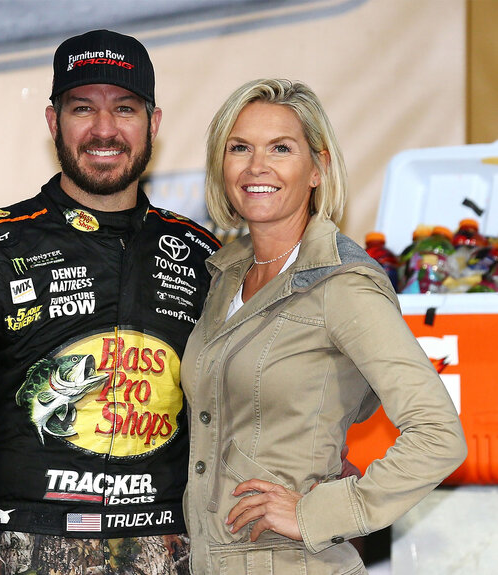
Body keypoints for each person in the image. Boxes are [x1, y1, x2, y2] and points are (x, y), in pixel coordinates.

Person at [0, 29, 221, 575]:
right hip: (26, 547)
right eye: (83, 109)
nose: (105, 129)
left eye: (125, 108)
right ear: (54, 122)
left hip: (174, 550)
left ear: (154, 123)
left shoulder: (206, 256)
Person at [181, 78, 467, 574]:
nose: (257, 167)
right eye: (240, 148)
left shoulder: (344, 284)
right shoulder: (223, 277)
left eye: (281, 148)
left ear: (317, 168)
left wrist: (320, 512)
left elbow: (439, 435)